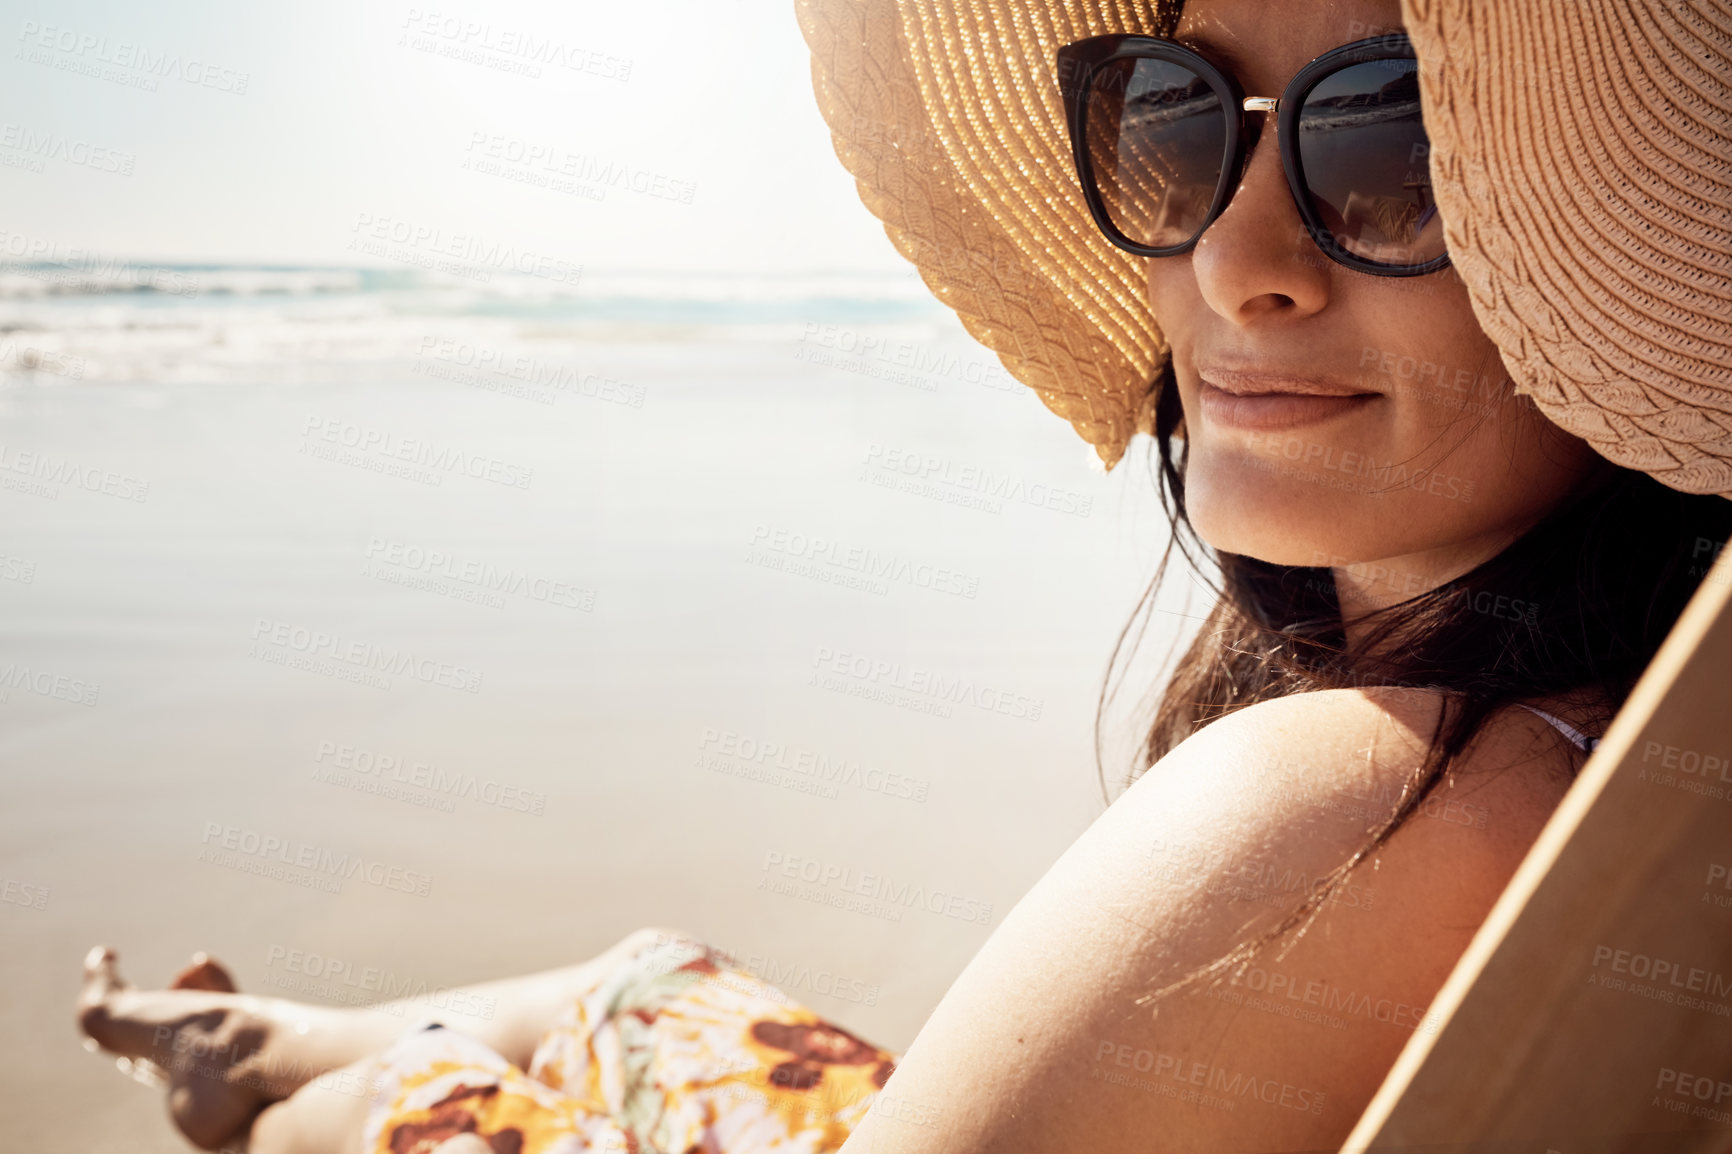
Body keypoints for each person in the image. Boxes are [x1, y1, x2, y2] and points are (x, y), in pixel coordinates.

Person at [75, 0, 1732, 1150]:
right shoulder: (1604, 763)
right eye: (1170, 117)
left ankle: (291, 1076)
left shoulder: (1341, 801)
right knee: (640, 983)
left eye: (1394, 145)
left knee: (379, 1110)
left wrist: (411, 1109)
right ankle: (261, 1035)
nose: (1233, 255)